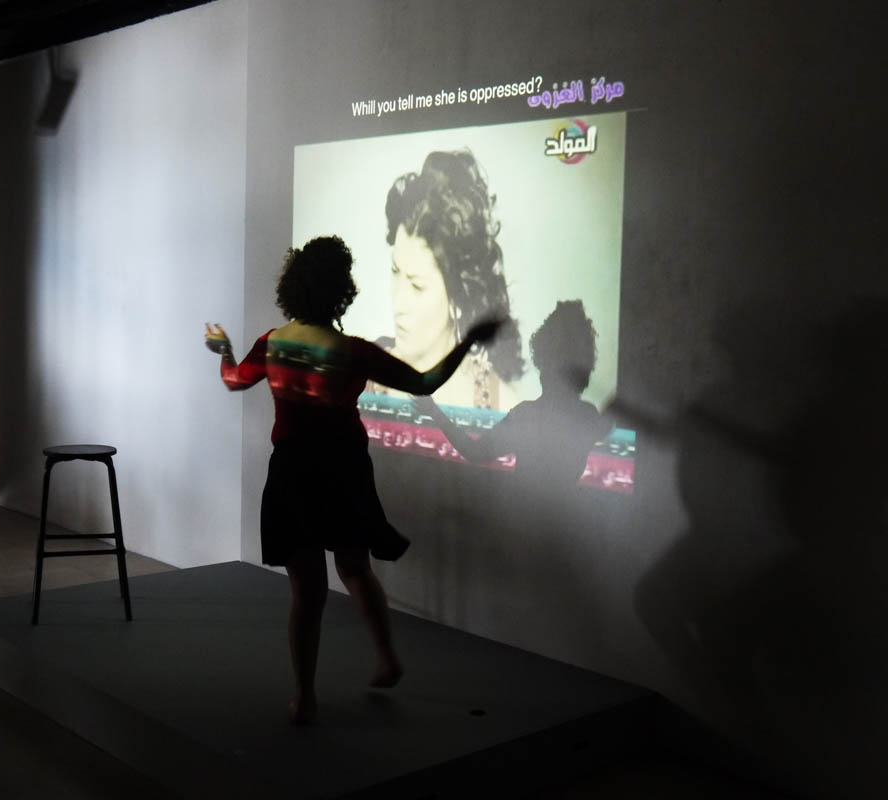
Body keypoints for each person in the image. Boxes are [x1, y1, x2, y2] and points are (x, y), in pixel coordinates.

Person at [205, 235, 501, 724]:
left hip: (293, 474)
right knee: (355, 568)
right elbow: (425, 382)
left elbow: (233, 380)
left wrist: (223, 350)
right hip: (343, 471)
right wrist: (467, 340)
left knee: (307, 593)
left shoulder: (272, 343)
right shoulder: (354, 352)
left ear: (293, 286)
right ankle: (387, 659)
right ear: (341, 291)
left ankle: (305, 697)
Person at [371, 149, 524, 410]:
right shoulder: (357, 383)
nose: (398, 303)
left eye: (417, 285)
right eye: (395, 272)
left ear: (458, 298)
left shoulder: (502, 409)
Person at [416, 300, 608, 491]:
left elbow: (476, 452)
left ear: (545, 363)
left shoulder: (527, 416)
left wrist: (433, 411)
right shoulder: (589, 417)